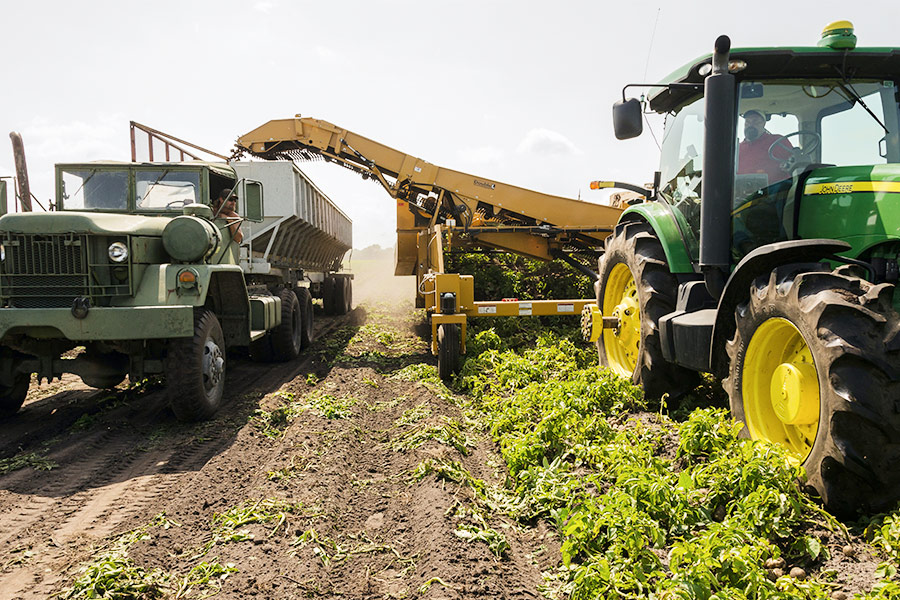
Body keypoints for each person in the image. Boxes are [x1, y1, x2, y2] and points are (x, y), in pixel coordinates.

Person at [737, 110, 793, 184]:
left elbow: (793, 162)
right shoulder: (738, 149)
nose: (751, 125)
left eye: (755, 122)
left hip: (777, 191)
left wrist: (787, 166)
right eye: (747, 122)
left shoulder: (778, 141)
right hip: (744, 192)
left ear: (763, 124)